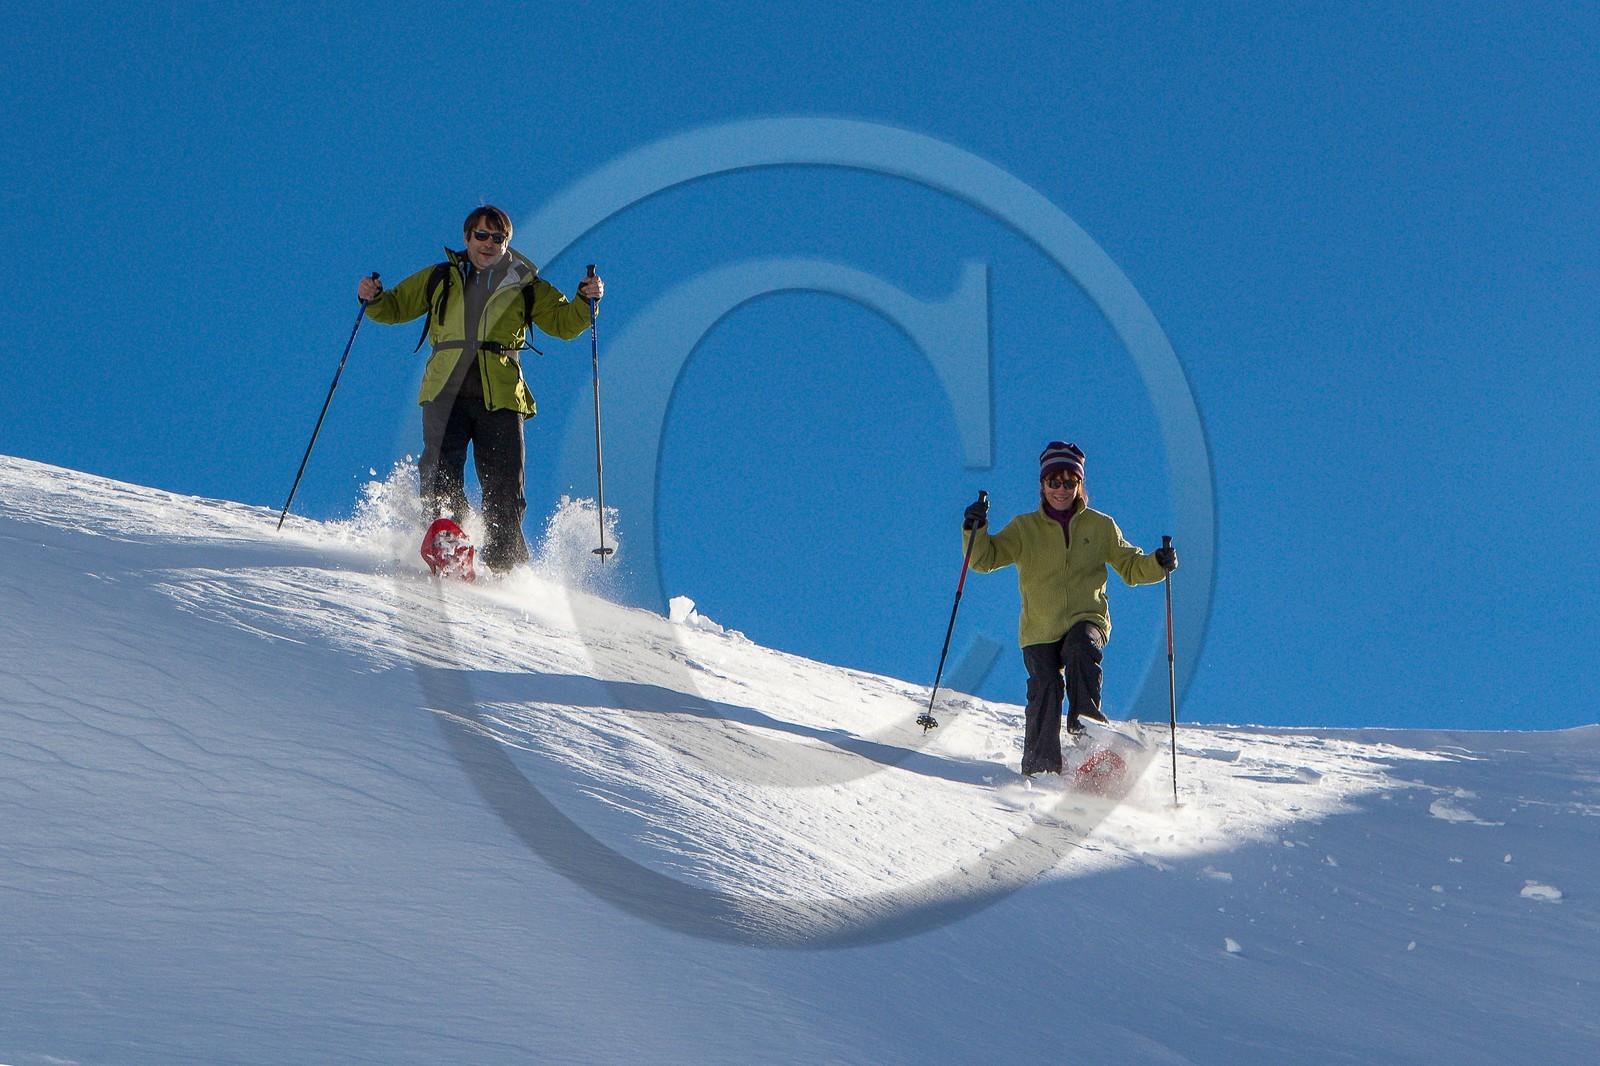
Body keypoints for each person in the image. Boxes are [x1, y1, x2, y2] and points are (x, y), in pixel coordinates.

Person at [357, 206, 603, 573]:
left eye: (497, 237)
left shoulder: (526, 283)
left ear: (507, 242)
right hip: (445, 389)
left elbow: (565, 324)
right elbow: (394, 307)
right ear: (467, 238)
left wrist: (586, 301)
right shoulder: (441, 277)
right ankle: (449, 542)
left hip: (501, 394)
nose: (488, 244)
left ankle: (505, 568)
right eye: (481, 235)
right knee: (440, 466)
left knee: (504, 483)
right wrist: (373, 297)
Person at [961, 441, 1177, 776]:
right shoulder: (1024, 528)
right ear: (1043, 485)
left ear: (1079, 486)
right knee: (1045, 686)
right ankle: (1041, 767)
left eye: (1069, 482)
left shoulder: (1100, 526)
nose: (1061, 490)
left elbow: (1132, 567)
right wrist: (975, 529)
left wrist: (1157, 563)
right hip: (1039, 629)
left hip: (1086, 617)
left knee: (1081, 648)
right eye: (1054, 482)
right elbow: (984, 559)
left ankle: (1088, 732)